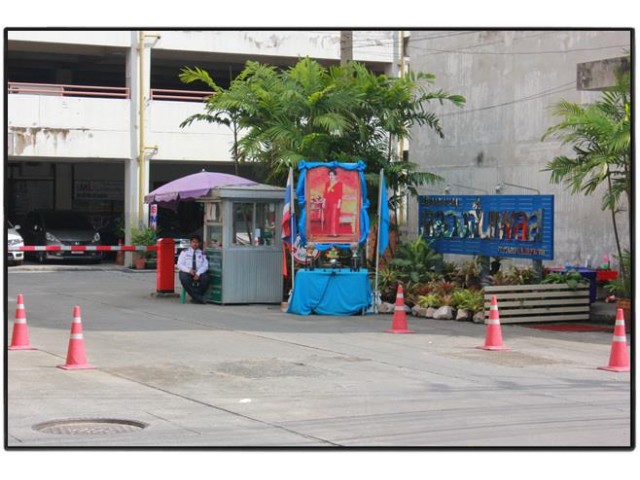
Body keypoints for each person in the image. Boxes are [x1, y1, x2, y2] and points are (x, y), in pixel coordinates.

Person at [177, 234, 210, 304]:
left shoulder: (201, 253)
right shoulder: (184, 252)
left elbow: (205, 265)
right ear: (190, 243)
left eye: (197, 242)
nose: (195, 244)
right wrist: (189, 271)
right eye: (193, 242)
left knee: (206, 278)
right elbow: (179, 264)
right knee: (184, 278)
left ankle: (196, 297)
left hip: (198, 272)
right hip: (187, 272)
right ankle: (199, 297)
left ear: (199, 243)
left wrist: (198, 273)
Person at [322, 168, 343, 236]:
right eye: (330, 175)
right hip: (328, 203)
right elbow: (325, 194)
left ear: (335, 176)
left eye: (332, 175)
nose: (331, 176)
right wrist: (323, 202)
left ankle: (334, 233)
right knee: (328, 217)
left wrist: (339, 203)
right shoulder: (327, 184)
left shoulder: (339, 184)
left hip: (335, 203)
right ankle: (329, 232)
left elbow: (340, 194)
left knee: (334, 218)